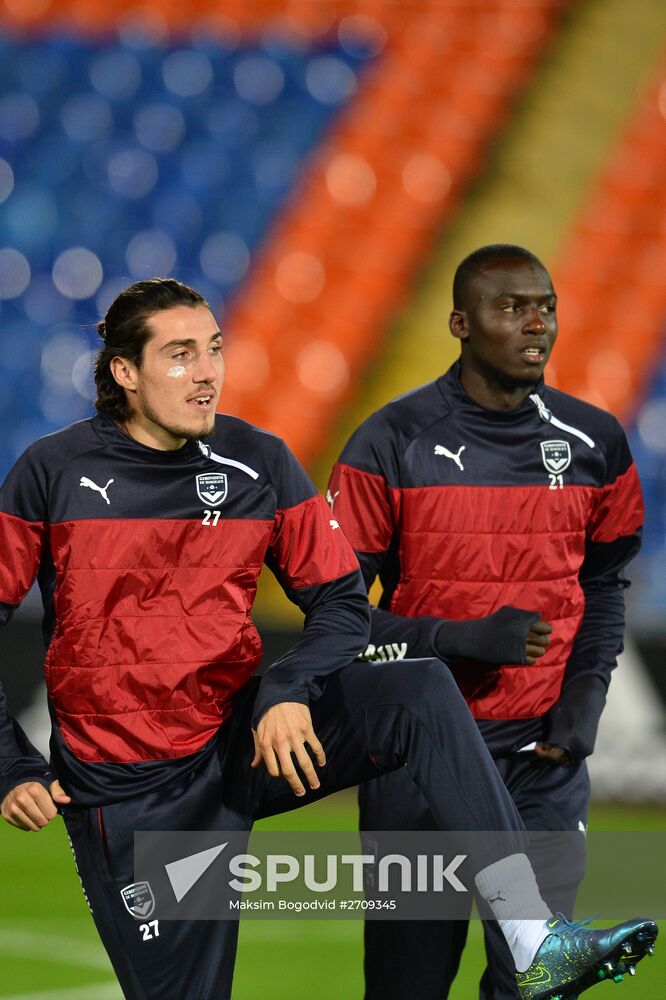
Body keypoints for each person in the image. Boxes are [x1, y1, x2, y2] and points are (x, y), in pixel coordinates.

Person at [0, 277, 655, 1000]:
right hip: (131, 796)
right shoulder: (51, 474)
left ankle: (531, 937)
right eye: (181, 355)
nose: (209, 371)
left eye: (214, 349)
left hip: (237, 743)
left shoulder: (261, 463)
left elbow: (343, 601)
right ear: (126, 373)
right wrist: (13, 766)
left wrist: (288, 687)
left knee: (417, 688)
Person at [327, 244, 649, 999]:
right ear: (460, 324)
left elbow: (603, 589)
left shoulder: (595, 442)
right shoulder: (390, 443)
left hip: (540, 761)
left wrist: (583, 706)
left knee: (534, 981)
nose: (537, 323)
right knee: (408, 988)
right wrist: (457, 640)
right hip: (416, 760)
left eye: (546, 307)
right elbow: (336, 617)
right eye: (512, 308)